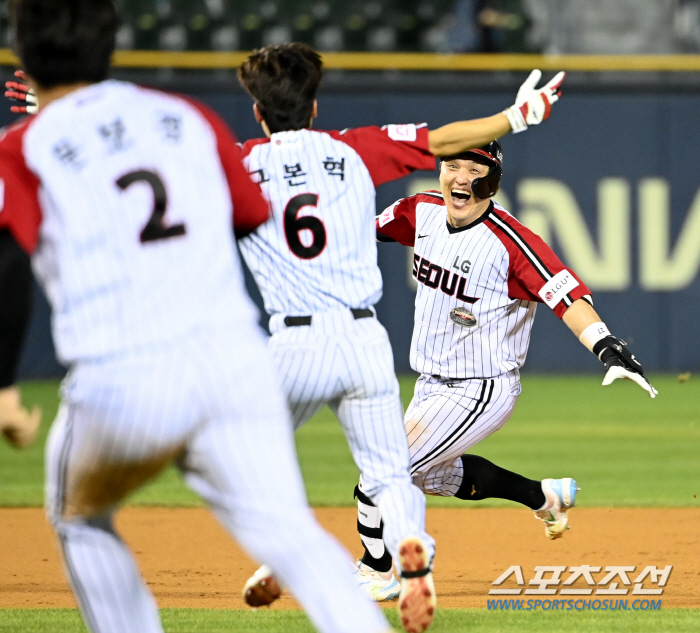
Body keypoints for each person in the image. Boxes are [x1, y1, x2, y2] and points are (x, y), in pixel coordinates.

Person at [0, 2, 397, 633]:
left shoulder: (24, 145)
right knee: (291, 534)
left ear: (22, 55)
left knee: (80, 517)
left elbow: (8, 263)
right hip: (231, 366)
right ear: (111, 45)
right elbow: (243, 213)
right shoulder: (187, 118)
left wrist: (4, 387)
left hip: (120, 381)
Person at [232, 41, 565, 623]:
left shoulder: (238, 160)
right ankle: (415, 545)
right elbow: (441, 139)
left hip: (293, 342)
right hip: (363, 341)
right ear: (314, 109)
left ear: (258, 113)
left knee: (251, 455)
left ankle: (329, 560)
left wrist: (54, 109)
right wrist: (516, 118)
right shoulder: (352, 150)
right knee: (393, 469)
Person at [352, 139, 657, 596]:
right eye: (451, 164)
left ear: (491, 179)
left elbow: (565, 295)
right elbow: (358, 228)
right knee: (436, 477)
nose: (458, 177)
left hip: (481, 388)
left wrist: (604, 344)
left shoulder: (512, 243)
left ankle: (377, 573)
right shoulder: (419, 212)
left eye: (472, 168)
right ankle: (545, 497)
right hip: (429, 385)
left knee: (383, 468)